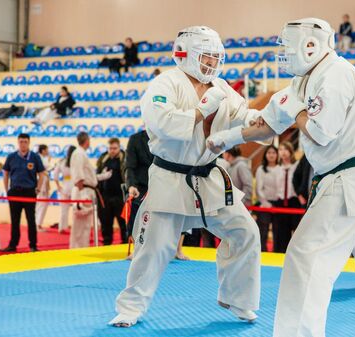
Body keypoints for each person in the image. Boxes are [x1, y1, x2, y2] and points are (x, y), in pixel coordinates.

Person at [206, 17, 355, 337]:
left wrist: (298, 111)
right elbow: (267, 124)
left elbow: (320, 132)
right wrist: (226, 138)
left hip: (348, 179)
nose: (283, 53)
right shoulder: (302, 81)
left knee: (304, 256)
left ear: (310, 47)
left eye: (288, 47)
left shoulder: (336, 74)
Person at [110, 26, 262, 328]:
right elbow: (163, 124)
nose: (212, 64)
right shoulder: (163, 84)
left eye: (216, 57)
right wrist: (199, 111)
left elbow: (242, 113)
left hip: (210, 177)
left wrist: (258, 118)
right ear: (186, 55)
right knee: (154, 249)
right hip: (171, 177)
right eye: (207, 57)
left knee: (246, 232)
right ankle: (130, 308)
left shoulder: (221, 86)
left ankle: (238, 299)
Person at [125, 128, 189, 260]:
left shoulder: (168, 137)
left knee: (180, 211)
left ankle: (178, 249)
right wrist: (131, 185)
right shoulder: (135, 139)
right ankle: (137, 249)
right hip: (142, 186)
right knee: (137, 211)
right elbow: (130, 166)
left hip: (166, 182)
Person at [2, 133, 46, 252]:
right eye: (21, 142)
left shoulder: (35, 157)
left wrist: (38, 188)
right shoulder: (11, 157)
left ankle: (33, 245)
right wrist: (7, 189)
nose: (23, 144)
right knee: (14, 220)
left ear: (29, 142)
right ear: (18, 142)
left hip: (29, 192)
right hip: (15, 192)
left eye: (25, 142)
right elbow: (5, 173)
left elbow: (42, 173)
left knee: (31, 220)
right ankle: (13, 244)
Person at [70, 132, 111, 248]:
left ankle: (83, 248)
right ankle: (77, 250)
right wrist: (81, 193)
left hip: (88, 189)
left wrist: (104, 176)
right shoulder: (78, 153)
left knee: (86, 225)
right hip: (83, 191)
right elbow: (79, 176)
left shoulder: (81, 154)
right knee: (80, 225)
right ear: (87, 141)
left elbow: (89, 177)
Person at [96, 138, 127, 245]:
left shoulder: (125, 159)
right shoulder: (103, 159)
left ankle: (125, 244)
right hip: (105, 197)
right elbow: (97, 174)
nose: (112, 150)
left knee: (123, 224)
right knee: (106, 224)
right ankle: (106, 244)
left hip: (120, 197)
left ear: (119, 148)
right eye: (110, 148)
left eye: (115, 148)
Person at [273, 141, 301, 253]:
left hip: (294, 201)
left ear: (290, 151)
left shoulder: (297, 166)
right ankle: (282, 254)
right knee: (282, 232)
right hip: (280, 202)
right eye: (280, 150)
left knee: (297, 230)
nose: (283, 152)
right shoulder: (277, 168)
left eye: (285, 149)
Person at [254, 145, 280, 252]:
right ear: (265, 155)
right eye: (269, 153)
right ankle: (262, 251)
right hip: (264, 204)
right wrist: (266, 203)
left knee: (278, 231)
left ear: (277, 155)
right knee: (263, 230)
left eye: (273, 153)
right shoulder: (261, 169)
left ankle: (276, 252)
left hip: (278, 204)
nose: (271, 155)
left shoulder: (281, 168)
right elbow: (259, 189)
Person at [53, 145, 76, 234]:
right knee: (76, 209)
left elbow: (55, 176)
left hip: (65, 186)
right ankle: (75, 227)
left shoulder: (62, 162)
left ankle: (61, 228)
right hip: (75, 186)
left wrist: (58, 186)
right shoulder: (77, 162)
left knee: (64, 209)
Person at [35, 144, 52, 231]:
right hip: (41, 183)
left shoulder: (42, 158)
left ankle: (38, 223)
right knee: (42, 203)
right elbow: (48, 168)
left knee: (42, 203)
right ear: (43, 150)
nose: (48, 151)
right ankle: (38, 224)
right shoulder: (40, 158)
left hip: (44, 181)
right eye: (47, 149)